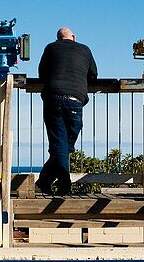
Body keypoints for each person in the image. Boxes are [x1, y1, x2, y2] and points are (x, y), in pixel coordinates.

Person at [35, 27, 98, 196]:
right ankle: (63, 184)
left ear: (58, 39)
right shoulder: (84, 49)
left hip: (53, 98)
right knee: (64, 145)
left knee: (60, 145)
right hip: (75, 100)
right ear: (74, 38)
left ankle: (46, 181)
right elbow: (93, 75)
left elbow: (41, 74)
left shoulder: (51, 48)